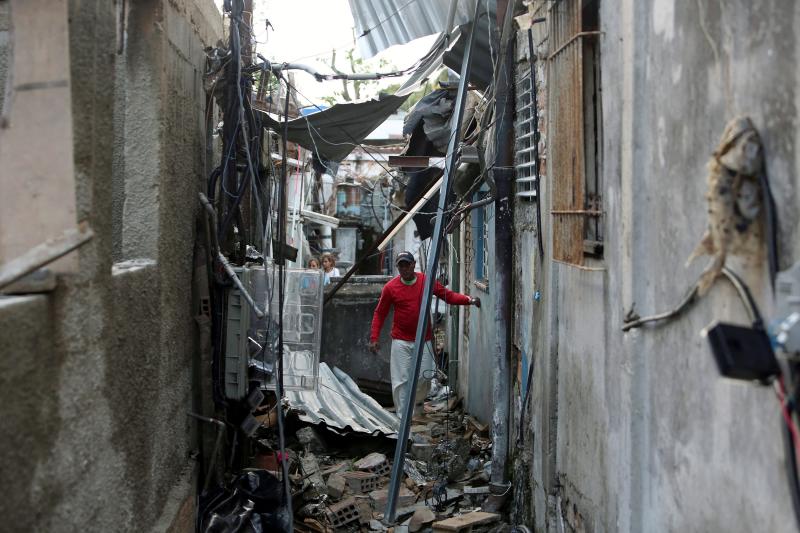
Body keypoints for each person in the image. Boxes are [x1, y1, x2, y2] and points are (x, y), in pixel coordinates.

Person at [369, 251, 480, 415]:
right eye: (401, 266)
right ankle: (402, 417)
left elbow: (447, 296)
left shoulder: (425, 281)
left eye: (407, 264)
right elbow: (380, 313)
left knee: (425, 378)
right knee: (401, 380)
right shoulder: (390, 288)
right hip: (400, 340)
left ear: (413, 265)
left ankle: (417, 404)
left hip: (424, 339)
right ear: (398, 268)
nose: (404, 269)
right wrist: (374, 337)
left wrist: (468, 300)